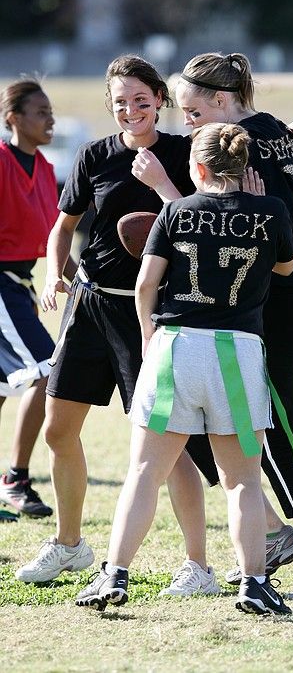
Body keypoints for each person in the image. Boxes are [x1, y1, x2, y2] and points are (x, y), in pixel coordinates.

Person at [132, 51, 293, 602]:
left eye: (193, 112)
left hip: (280, 308)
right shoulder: (269, 134)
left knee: (274, 442)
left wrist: (169, 196)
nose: (187, 123)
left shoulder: (251, 147)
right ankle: (273, 535)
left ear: (222, 102)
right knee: (235, 434)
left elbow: (228, 229)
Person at [75, 121, 293, 614]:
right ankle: (255, 584)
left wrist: (150, 337)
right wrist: (260, 208)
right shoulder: (270, 210)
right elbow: (286, 266)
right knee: (242, 480)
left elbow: (145, 286)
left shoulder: (175, 210)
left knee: (144, 472)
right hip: (237, 352)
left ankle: (114, 575)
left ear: (196, 168)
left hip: (177, 346)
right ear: (244, 168)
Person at [14, 55, 215, 584]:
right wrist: (58, 273)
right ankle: (70, 543)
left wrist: (159, 185)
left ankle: (198, 564)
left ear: (160, 101)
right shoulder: (94, 155)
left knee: (169, 446)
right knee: (59, 430)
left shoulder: (184, 153)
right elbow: (64, 226)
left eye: (141, 101)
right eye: (121, 102)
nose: (131, 111)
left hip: (149, 313)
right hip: (90, 304)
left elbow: (203, 221)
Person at [0, 78, 68, 521]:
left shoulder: (43, 166)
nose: (50, 119)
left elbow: (54, 235)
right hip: (1, 285)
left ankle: (12, 481)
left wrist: (77, 275)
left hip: (19, 285)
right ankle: (17, 478)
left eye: (50, 111)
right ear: (14, 119)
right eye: (40, 111)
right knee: (49, 368)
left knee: (3, 387)